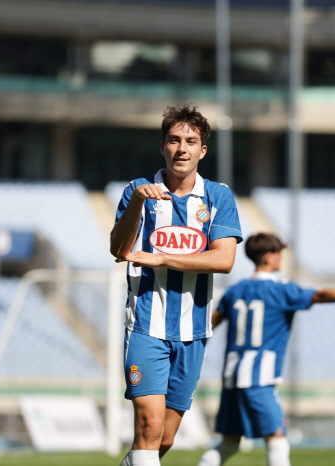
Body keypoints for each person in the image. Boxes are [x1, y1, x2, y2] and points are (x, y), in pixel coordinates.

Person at [110, 104, 243, 466]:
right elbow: (119, 250)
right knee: (149, 426)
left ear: (202, 150)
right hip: (145, 326)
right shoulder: (138, 191)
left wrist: (163, 257)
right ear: (162, 147)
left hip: (193, 329)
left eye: (191, 141)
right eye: (174, 140)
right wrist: (137, 203)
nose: (181, 148)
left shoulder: (218, 197)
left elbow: (224, 260)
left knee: (164, 438)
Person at [197, 232, 335, 466]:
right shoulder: (282, 290)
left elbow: (210, 323)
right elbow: (320, 294)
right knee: (277, 438)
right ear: (268, 257)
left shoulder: (235, 291)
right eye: (278, 253)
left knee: (230, 441)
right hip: (259, 378)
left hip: (232, 375)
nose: (281, 258)